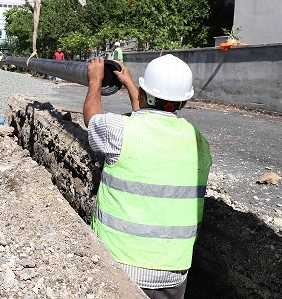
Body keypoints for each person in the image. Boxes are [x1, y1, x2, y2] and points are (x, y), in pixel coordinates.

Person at [82, 54, 212, 299]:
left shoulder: (120, 130)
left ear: (143, 92)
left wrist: (95, 81)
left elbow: (92, 118)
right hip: (173, 271)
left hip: (118, 264)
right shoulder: (199, 142)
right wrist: (133, 86)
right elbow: (152, 119)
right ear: (184, 102)